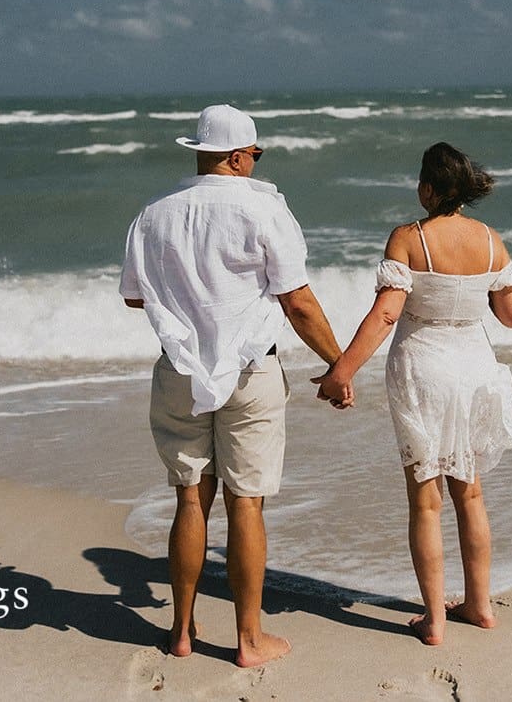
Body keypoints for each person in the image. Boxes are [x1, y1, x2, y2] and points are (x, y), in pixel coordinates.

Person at [121, 103, 349, 668]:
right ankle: (248, 640)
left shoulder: (154, 213)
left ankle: (180, 630)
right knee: (247, 504)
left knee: (190, 500)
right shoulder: (265, 210)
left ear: (199, 152)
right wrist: (338, 363)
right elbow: (296, 300)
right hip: (250, 369)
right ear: (239, 155)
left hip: (179, 368)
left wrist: (189, 292)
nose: (255, 161)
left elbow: (133, 295)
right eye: (254, 153)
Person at [318, 141, 512, 646]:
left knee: (426, 501)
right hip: (474, 368)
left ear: (428, 188)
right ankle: (479, 606)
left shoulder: (409, 238)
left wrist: (341, 370)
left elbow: (388, 314)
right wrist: (481, 288)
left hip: (423, 372)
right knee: (470, 492)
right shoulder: (491, 240)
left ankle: (433, 619)